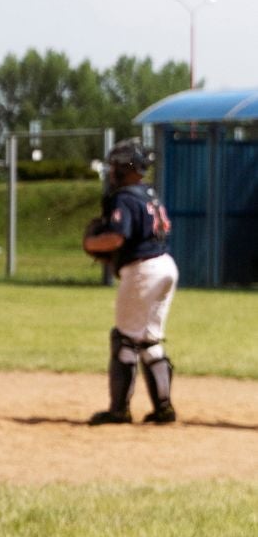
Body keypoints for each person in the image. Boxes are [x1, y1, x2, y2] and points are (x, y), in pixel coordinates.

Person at [83, 138, 178, 426]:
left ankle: (119, 411)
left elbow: (116, 237)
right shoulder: (149, 193)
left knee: (125, 339)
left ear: (127, 168)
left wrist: (90, 243)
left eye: (117, 166)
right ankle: (164, 408)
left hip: (143, 270)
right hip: (165, 265)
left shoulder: (124, 197)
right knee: (148, 339)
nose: (113, 171)